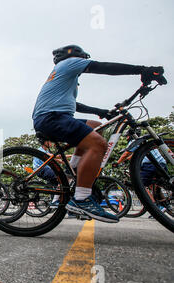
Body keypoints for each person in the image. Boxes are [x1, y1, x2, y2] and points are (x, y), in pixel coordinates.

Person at [32, 44, 166, 223]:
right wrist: (143, 70)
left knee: (97, 127)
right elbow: (103, 67)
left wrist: (101, 112)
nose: (84, 62)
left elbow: (75, 105)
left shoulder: (63, 77)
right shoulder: (69, 64)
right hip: (52, 117)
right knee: (98, 144)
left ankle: (73, 167)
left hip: (54, 116)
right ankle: (81, 199)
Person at [117, 129, 168, 215]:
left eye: (127, 137)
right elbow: (132, 156)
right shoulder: (144, 141)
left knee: (141, 186)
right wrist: (127, 159)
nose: (126, 138)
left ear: (129, 136)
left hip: (150, 165)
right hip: (162, 164)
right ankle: (165, 205)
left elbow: (126, 154)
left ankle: (155, 207)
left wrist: (117, 162)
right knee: (155, 186)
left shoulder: (134, 141)